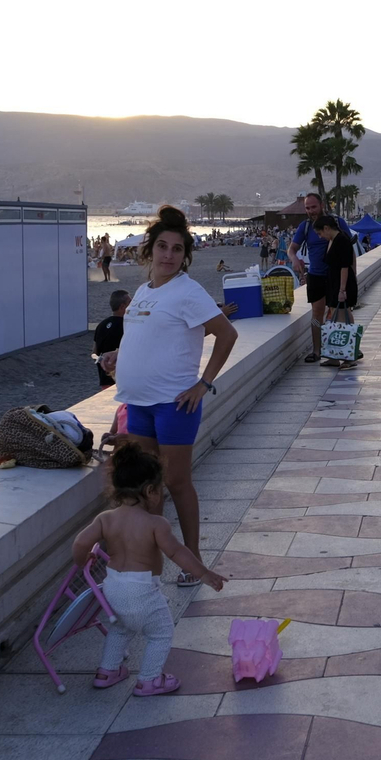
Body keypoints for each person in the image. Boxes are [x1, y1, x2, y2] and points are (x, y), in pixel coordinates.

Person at [97, 206, 238, 585]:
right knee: (147, 487)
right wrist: (117, 355)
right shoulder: (142, 292)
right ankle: (149, 565)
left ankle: (194, 563)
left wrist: (202, 383)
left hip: (175, 404)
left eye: (177, 249)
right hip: (138, 404)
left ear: (185, 256)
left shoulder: (188, 291)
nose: (169, 255)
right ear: (150, 250)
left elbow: (226, 335)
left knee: (176, 482)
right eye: (163, 246)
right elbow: (141, 338)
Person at [71, 444, 226, 696]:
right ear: (150, 491)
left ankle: (107, 671)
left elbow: (80, 542)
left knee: (121, 627)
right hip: (142, 591)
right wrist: (205, 574)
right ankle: (149, 680)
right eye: (160, 489)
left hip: (113, 587)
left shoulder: (105, 518)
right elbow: (178, 553)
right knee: (161, 633)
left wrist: (82, 561)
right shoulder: (156, 524)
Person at [290, 193, 352, 364]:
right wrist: (294, 259)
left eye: (313, 207)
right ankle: (317, 350)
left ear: (322, 205)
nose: (311, 211)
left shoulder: (337, 223)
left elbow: (349, 250)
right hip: (316, 275)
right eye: (307, 208)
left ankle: (345, 352)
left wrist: (350, 278)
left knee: (339, 313)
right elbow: (292, 249)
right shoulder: (305, 227)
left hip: (335, 275)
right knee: (317, 314)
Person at [314, 215, 361, 368]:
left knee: (343, 317)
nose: (320, 236)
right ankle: (335, 356)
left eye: (320, 233)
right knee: (339, 316)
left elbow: (344, 266)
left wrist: (342, 290)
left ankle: (349, 356)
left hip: (343, 284)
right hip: (334, 283)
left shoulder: (342, 240)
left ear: (327, 228)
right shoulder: (333, 240)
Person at [94, 290, 130, 389]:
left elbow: (94, 352)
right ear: (123, 307)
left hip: (104, 379)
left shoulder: (101, 325)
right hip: (121, 379)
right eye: (130, 303)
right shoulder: (128, 326)